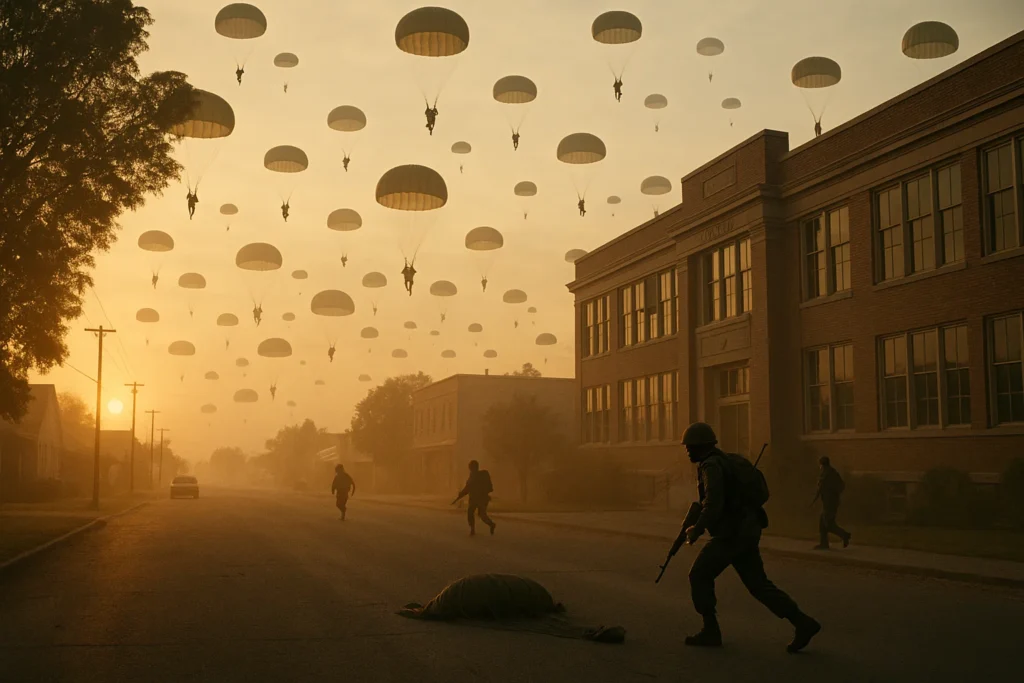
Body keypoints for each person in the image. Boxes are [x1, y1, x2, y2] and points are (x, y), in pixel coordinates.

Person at [669, 422, 820, 652]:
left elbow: (713, 504)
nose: (687, 451)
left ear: (702, 446)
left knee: (699, 574)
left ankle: (710, 630)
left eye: (690, 447)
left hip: (731, 534)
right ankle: (802, 622)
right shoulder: (728, 460)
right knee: (759, 585)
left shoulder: (711, 466)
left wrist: (696, 529)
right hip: (746, 530)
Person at [812, 457, 850, 550]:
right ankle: (824, 544)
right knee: (823, 523)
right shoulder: (832, 472)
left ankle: (845, 535)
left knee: (828, 524)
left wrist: (831, 494)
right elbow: (841, 485)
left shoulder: (827, 474)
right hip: (830, 502)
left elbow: (822, 488)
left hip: (829, 503)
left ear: (822, 465)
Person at [452, 460, 496, 536]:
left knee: (474, 513)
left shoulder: (475, 476)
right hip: (480, 498)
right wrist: (460, 495)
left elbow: (467, 488)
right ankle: (489, 525)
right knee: (479, 514)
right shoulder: (477, 475)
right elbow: (467, 488)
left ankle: (477, 528)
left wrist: (461, 495)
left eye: (470, 467)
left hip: (477, 499)